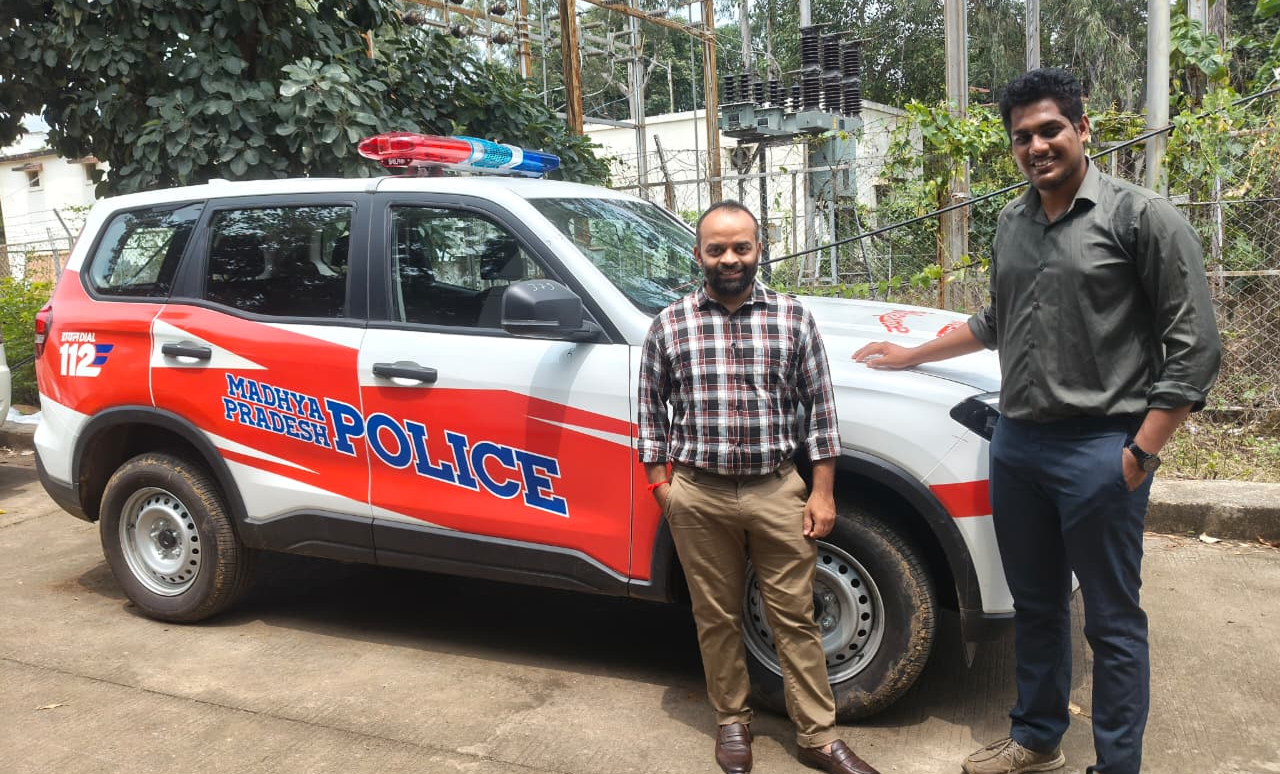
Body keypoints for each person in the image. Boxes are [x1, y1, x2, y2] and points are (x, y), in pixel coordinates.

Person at [853, 68, 1221, 774]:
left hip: (1101, 448)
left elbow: (1195, 347)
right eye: (1022, 136)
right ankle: (1037, 738)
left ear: (1082, 129)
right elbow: (997, 320)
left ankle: (1117, 765)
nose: (1037, 146)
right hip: (1018, 445)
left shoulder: (1142, 218)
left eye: (1050, 129)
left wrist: (1141, 452)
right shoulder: (1012, 222)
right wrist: (910, 355)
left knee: (1111, 621)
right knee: (1037, 606)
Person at [637, 200, 880, 774]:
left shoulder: (793, 318)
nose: (730, 258)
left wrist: (822, 492)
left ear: (758, 250)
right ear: (698, 254)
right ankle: (732, 722)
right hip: (698, 493)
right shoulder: (670, 324)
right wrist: (661, 487)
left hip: (776, 490)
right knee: (716, 615)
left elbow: (821, 412)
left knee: (794, 615)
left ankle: (817, 736)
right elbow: (649, 412)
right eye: (717, 248)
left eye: (741, 247)